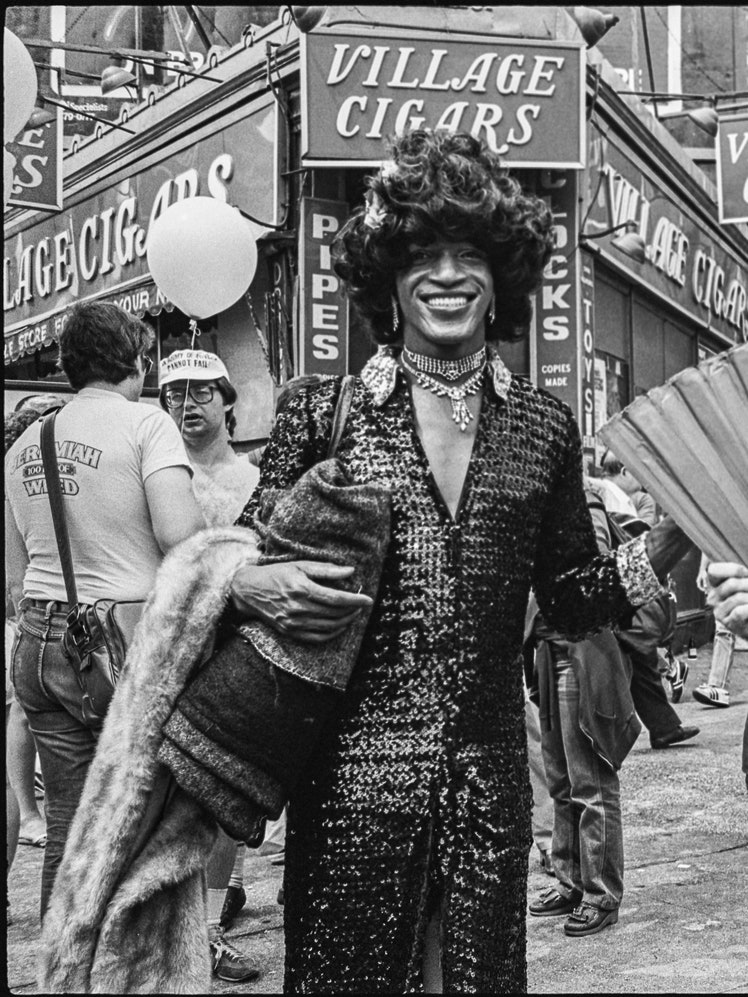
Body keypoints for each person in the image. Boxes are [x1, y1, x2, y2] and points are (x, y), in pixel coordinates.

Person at [226, 130, 691, 992]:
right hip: (351, 790)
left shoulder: (542, 427)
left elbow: (572, 598)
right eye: (422, 254)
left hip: (487, 788)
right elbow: (239, 557)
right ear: (388, 277)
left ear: (500, 275)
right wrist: (253, 580)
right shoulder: (321, 414)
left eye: (469, 252)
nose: (447, 273)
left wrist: (678, 531)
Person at [4, 301, 205, 919]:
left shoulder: (24, 444)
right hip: (122, 645)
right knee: (145, 827)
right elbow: (181, 536)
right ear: (137, 361)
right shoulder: (147, 426)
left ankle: (64, 976)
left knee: (68, 825)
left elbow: (13, 575)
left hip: (38, 645)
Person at [159, 349, 260, 983]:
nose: (187, 405)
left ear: (228, 402)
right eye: (175, 396)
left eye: (201, 393)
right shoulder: (160, 476)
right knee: (170, 799)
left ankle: (213, 926)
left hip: (239, 655)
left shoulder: (256, 478)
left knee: (228, 797)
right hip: (172, 655)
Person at [528, 483, 641, 937]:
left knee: (590, 780)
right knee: (558, 779)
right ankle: (570, 878)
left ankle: (601, 893)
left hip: (581, 649)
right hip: (547, 650)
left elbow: (595, 574)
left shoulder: (582, 498)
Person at [594, 459, 699, 750]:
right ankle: (659, 722)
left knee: (639, 654)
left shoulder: (615, 496)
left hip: (612, 591)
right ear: (625, 472)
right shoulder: (610, 496)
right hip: (607, 594)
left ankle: (664, 726)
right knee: (633, 652)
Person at [693, 552, 746, 708]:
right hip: (732, 568)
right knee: (725, 624)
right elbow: (707, 540)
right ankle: (717, 686)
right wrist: (703, 569)